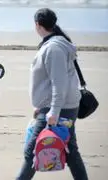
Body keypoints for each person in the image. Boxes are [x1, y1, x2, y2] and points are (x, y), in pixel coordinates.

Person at [16, 8, 88, 180]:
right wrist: (41, 107)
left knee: (31, 150)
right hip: (58, 106)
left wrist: (53, 111)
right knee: (71, 151)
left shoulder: (54, 48)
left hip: (58, 108)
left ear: (37, 25)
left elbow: (59, 83)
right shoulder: (55, 43)